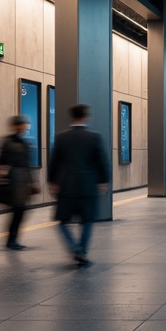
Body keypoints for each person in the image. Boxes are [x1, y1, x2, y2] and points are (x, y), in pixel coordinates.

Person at [47, 104, 111, 268]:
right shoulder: (94, 137)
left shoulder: (62, 138)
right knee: (87, 221)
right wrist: (103, 181)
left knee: (62, 221)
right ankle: (81, 251)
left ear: (72, 117)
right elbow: (101, 161)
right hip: (88, 186)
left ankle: (74, 248)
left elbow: (54, 162)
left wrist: (52, 181)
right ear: (86, 117)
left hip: (66, 186)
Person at [0, 115, 37, 250]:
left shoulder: (24, 143)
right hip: (14, 181)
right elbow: (1, 162)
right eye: (23, 124)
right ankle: (11, 240)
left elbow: (28, 165)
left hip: (23, 181)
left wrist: (33, 182)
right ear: (16, 125)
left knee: (20, 211)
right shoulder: (8, 142)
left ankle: (11, 239)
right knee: (18, 210)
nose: (25, 127)